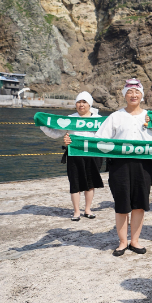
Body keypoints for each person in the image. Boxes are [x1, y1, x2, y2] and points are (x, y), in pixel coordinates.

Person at [95, 79, 152, 256]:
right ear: (124, 95)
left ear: (142, 95)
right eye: (130, 92)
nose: (133, 95)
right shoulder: (115, 116)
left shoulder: (151, 117)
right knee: (122, 204)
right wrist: (73, 141)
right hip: (119, 166)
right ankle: (122, 242)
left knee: (139, 204)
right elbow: (99, 139)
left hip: (144, 165)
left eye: (137, 92)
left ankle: (135, 241)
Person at [40, 91, 104, 221]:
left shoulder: (99, 119)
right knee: (75, 182)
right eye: (79, 102)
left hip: (93, 154)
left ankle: (87, 209)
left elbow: (108, 135)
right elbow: (56, 133)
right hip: (74, 154)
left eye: (84, 102)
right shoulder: (70, 119)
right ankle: (76, 212)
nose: (81, 105)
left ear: (90, 104)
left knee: (90, 183)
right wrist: (42, 124)